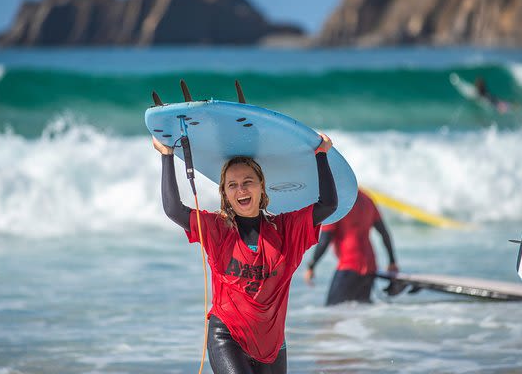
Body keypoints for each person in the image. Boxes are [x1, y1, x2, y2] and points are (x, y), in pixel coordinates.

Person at [152, 133, 337, 374]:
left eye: (248, 181)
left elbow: (328, 205)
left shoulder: (287, 229)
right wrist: (167, 156)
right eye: (232, 185)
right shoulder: (217, 228)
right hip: (227, 335)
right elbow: (174, 210)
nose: (241, 190)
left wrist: (321, 154)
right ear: (225, 194)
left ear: (262, 185)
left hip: (272, 345)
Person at [304, 188, 397, 305]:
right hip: (370, 266)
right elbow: (384, 233)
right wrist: (392, 262)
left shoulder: (338, 203)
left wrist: (312, 265)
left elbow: (325, 240)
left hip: (349, 265)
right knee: (359, 311)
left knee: (332, 310)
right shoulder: (367, 198)